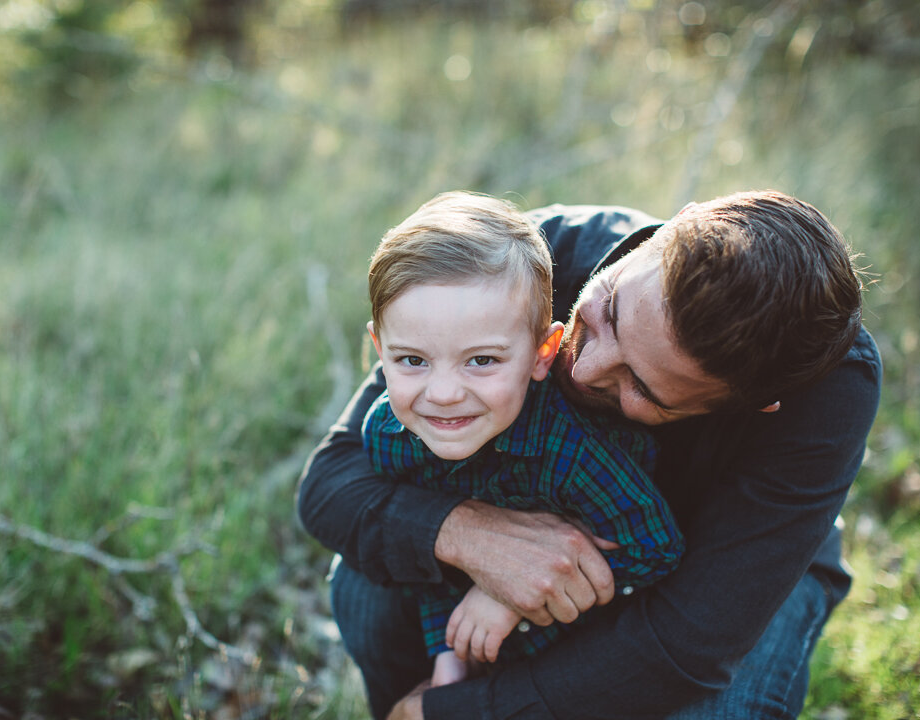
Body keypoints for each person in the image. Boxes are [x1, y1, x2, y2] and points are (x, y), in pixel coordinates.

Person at [298, 190, 882, 719]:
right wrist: (473, 539)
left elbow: (687, 644)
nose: (582, 365)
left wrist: (457, 712)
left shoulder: (827, 388)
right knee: (366, 581)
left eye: (644, 389)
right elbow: (333, 481)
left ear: (751, 405)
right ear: (666, 233)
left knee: (721, 711)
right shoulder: (518, 262)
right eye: (608, 313)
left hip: (731, 575)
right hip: (508, 517)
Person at [360, 191, 685, 687]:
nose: (443, 394)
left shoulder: (574, 452)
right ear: (380, 349)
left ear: (542, 354)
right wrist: (449, 649)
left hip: (574, 641)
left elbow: (655, 548)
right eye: (412, 360)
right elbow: (407, 530)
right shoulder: (387, 437)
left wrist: (510, 595)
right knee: (365, 584)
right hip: (458, 623)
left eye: (482, 360)